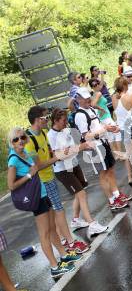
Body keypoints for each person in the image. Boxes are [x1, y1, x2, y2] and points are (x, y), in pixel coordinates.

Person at [7, 127, 81, 278]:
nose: (20, 141)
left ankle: (64, 256)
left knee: (53, 227)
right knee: (44, 233)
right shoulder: (13, 159)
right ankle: (54, 267)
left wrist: (58, 155)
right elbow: (11, 185)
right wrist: (29, 174)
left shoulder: (25, 153)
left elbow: (39, 165)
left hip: (43, 193)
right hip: (36, 198)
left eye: (22, 137)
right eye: (16, 139)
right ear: (11, 143)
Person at [25, 106, 90, 254]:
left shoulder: (42, 133)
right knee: (58, 211)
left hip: (50, 177)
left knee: (55, 212)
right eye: (45, 118)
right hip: (41, 182)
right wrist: (58, 157)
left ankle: (63, 242)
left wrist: (60, 153)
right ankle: (71, 243)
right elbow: (38, 166)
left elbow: (49, 154)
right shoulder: (29, 140)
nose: (47, 120)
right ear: (37, 119)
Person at [48, 109, 108, 237]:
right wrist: (80, 147)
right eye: (64, 120)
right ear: (56, 121)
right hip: (63, 170)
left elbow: (72, 147)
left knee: (79, 192)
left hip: (74, 164)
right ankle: (91, 224)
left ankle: (75, 219)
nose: (66, 123)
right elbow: (59, 155)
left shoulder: (66, 130)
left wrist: (82, 146)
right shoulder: (51, 136)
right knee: (81, 194)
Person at [74, 87, 131, 210]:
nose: (88, 99)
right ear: (78, 99)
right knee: (103, 173)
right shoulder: (79, 115)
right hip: (95, 147)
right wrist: (103, 130)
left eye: (88, 96)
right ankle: (112, 200)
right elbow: (86, 136)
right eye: (84, 98)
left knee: (110, 169)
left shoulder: (90, 109)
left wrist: (109, 128)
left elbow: (98, 125)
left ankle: (117, 195)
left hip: (103, 142)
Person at [112, 77, 132, 186]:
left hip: (122, 130)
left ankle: (130, 177)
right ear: (125, 86)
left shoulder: (114, 98)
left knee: (128, 154)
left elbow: (117, 115)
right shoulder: (129, 97)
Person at [89, 78, 122, 149]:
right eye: (94, 85)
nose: (97, 85)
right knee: (117, 133)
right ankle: (120, 154)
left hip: (103, 117)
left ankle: (116, 155)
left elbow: (92, 104)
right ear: (92, 87)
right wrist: (101, 108)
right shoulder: (98, 93)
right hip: (105, 117)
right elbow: (93, 104)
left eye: (97, 83)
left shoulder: (94, 94)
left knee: (110, 136)